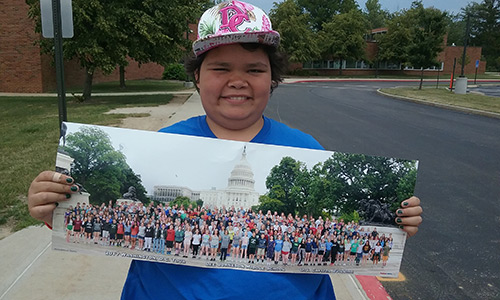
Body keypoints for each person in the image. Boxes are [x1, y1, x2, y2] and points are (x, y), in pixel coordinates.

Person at [27, 1, 423, 298]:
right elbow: (90, 220)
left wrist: (395, 220)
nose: (238, 81)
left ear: (273, 79)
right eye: (220, 69)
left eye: (254, 69)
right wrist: (55, 207)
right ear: (197, 77)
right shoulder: (164, 145)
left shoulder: (305, 148)